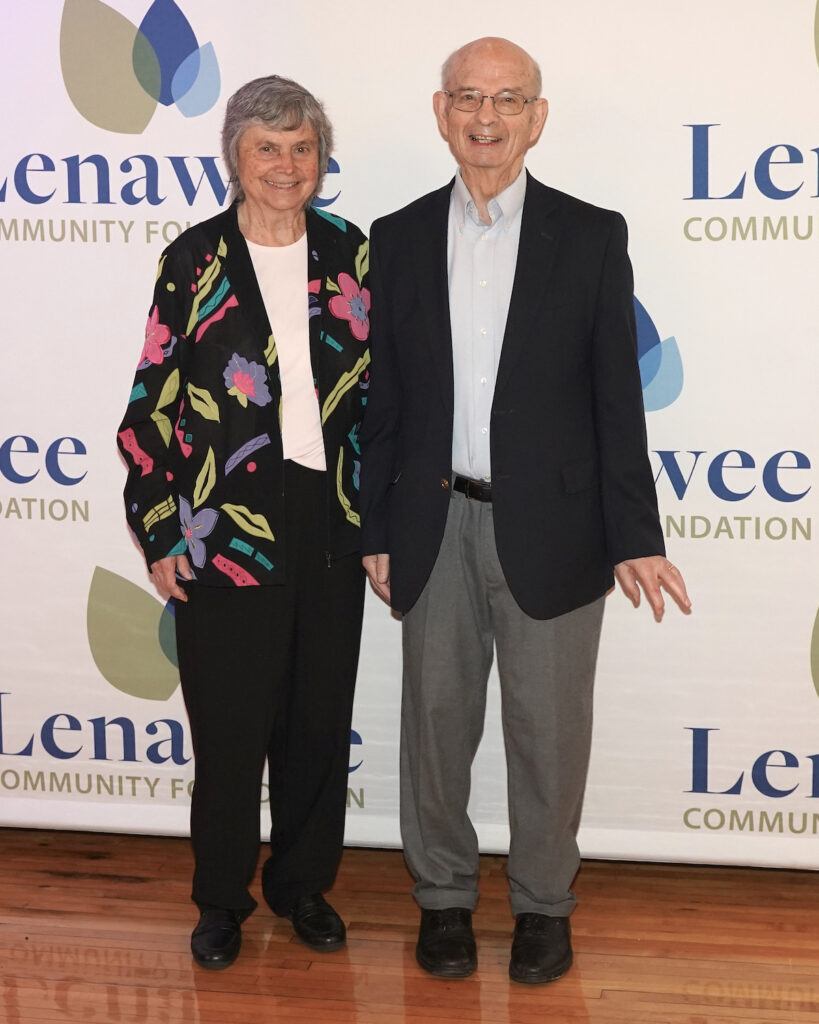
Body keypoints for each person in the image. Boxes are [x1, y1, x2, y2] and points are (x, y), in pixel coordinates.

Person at [360, 37, 691, 985]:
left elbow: (613, 401)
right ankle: (443, 901)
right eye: (468, 97)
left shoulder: (589, 235)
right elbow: (385, 400)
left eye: (508, 100)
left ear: (536, 117)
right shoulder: (400, 234)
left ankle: (545, 906)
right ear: (440, 110)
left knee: (549, 734)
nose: (486, 118)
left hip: (555, 529)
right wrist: (376, 527)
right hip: (431, 523)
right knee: (434, 725)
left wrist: (634, 535)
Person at [117, 75, 371, 970]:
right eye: (267, 147)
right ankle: (221, 899)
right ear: (235, 156)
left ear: (321, 157)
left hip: (328, 524)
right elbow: (148, 408)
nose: (286, 165)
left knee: (315, 723)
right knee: (228, 734)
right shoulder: (194, 260)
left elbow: (382, 405)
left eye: (302, 147)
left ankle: (303, 888)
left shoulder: (351, 255)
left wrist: (376, 525)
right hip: (221, 527)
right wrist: (159, 532)